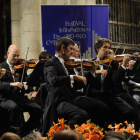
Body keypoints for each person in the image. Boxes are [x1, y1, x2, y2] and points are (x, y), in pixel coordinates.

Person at [42, 37, 109, 136]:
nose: (72, 52)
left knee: (102, 107)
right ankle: (65, 137)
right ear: (63, 48)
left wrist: (92, 71)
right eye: (71, 49)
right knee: (81, 115)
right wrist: (72, 76)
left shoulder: (66, 64)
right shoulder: (51, 62)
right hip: (59, 100)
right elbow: (53, 80)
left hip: (71, 98)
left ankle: (93, 134)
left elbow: (77, 85)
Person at [86, 38, 137, 127]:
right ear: (98, 49)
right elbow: (85, 77)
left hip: (108, 95)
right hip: (95, 95)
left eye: (109, 48)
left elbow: (116, 80)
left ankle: (118, 131)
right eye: (105, 47)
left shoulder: (112, 63)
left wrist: (124, 65)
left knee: (129, 110)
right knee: (104, 109)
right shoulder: (90, 63)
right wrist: (96, 71)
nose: (108, 50)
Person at [0, 44, 42, 136]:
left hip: (18, 98)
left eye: (18, 55)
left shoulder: (20, 68)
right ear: (8, 53)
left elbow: (26, 81)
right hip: (5, 98)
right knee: (14, 107)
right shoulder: (1, 67)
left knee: (38, 109)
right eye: (14, 55)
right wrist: (12, 84)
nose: (16, 58)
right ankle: (10, 132)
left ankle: (24, 130)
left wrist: (31, 90)